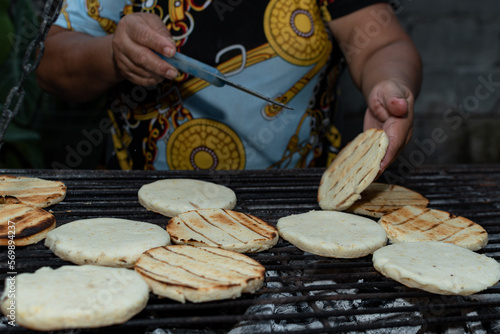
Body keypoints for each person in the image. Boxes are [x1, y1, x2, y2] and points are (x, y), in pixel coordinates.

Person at [36, 0, 421, 171]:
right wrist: (113, 55)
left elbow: (381, 43)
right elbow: (51, 61)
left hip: (298, 202)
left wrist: (391, 83)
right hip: (138, 205)